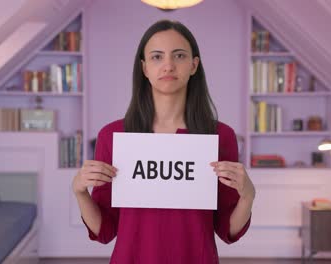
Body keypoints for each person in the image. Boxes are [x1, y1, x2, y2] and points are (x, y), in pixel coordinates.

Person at [72, 19, 256, 264]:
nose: (168, 65)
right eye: (157, 57)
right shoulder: (113, 136)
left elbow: (227, 230)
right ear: (144, 68)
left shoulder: (220, 136)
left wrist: (248, 196)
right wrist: (80, 192)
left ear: (194, 65)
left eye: (179, 56)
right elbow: (105, 230)